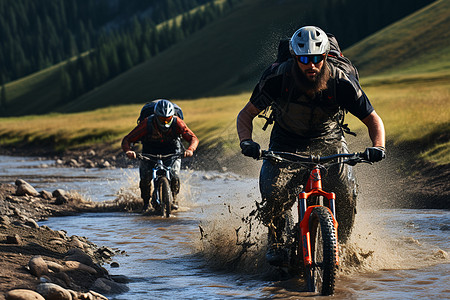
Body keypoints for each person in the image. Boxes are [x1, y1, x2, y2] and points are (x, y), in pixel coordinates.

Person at [236, 26, 385, 265]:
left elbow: (373, 119)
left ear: (326, 56)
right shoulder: (277, 79)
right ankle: (276, 240)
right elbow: (245, 116)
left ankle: (342, 244)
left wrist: (379, 146)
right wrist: (247, 142)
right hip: (286, 142)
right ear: (295, 58)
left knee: (346, 194)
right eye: (304, 59)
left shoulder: (342, 82)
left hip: (330, 141)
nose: (311, 65)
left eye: (317, 58)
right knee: (273, 193)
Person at [122, 99, 199, 212]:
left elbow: (193, 138)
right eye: (162, 119)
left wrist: (190, 149)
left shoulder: (177, 123)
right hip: (150, 150)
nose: (165, 123)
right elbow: (127, 139)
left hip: (172, 149)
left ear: (172, 116)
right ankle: (146, 203)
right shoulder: (146, 123)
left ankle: (174, 199)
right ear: (156, 116)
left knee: (175, 175)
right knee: (145, 178)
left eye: (168, 120)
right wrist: (128, 151)